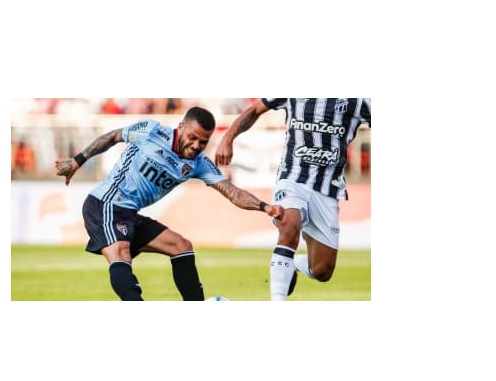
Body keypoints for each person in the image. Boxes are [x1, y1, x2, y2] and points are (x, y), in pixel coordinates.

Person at [55, 106, 284, 301]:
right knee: (121, 253)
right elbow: (113, 136)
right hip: (106, 202)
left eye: (203, 142)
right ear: (181, 127)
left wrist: (265, 207)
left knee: (181, 246)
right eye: (192, 137)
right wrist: (77, 161)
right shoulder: (151, 131)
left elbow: (232, 192)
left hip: (130, 212)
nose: (196, 145)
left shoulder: (198, 163)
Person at [215, 98, 371, 301]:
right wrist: (228, 138)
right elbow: (255, 110)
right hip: (293, 179)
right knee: (289, 226)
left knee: (322, 270)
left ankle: (292, 263)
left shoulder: (358, 100)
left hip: (327, 189)